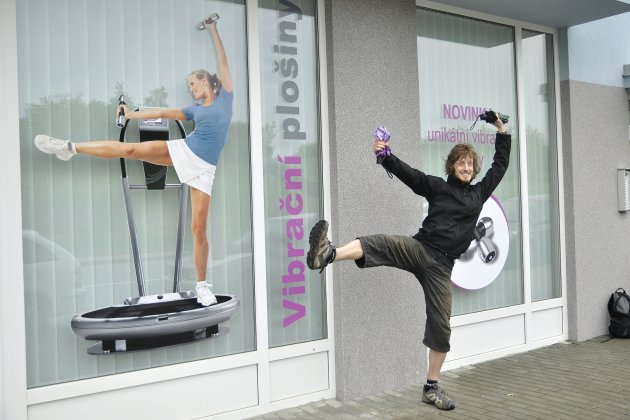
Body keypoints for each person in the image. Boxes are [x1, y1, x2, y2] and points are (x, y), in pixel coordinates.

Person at [306, 114, 511, 410]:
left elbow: (500, 165)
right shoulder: (438, 187)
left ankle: (431, 388)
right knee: (382, 243)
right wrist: (386, 157)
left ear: (474, 168)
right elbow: (411, 176)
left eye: (470, 164)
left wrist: (501, 130)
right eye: (460, 163)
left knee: (441, 326)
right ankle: (328, 254)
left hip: (442, 267)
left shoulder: (479, 193)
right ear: (452, 166)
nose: (466, 168)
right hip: (420, 248)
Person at [34, 17, 232, 307]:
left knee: (198, 230)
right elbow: (163, 112)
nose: (191, 89)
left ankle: (202, 287)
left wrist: (213, 29)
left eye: (193, 83)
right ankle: (68, 147)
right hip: (184, 151)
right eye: (188, 85)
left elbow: (223, 61)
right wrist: (129, 114)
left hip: (205, 169)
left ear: (205, 81)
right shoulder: (194, 110)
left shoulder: (226, 98)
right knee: (129, 150)